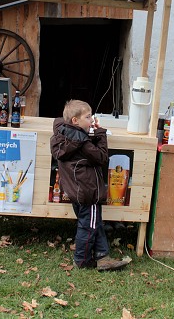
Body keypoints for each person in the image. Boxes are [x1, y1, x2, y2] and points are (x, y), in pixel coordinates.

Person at [50, 100, 129, 271]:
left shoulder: (62, 135)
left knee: (94, 223)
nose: (92, 120)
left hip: (76, 191)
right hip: (88, 191)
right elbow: (101, 157)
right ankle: (82, 260)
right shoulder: (83, 143)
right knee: (88, 226)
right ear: (75, 121)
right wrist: (100, 133)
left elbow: (59, 120)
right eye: (88, 117)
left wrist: (86, 130)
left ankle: (102, 256)